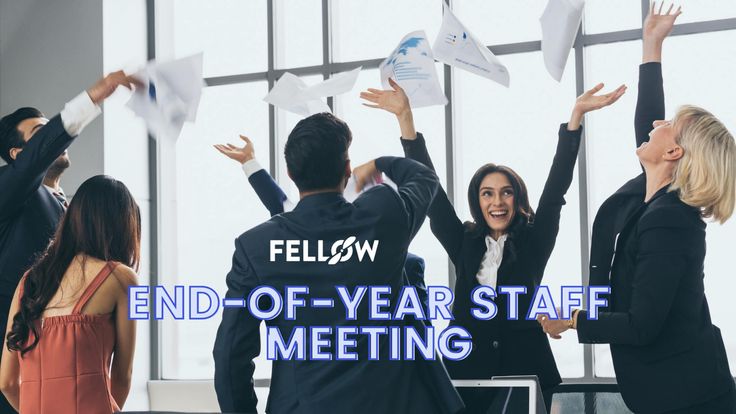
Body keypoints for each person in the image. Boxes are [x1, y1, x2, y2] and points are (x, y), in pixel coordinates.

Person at [359, 74, 625, 411]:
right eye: (488, 193)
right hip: (467, 372)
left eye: (505, 192)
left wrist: (575, 119)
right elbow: (432, 194)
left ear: (516, 199)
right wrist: (405, 118)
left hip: (526, 371)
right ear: (478, 201)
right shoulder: (463, 242)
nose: (497, 202)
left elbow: (556, 189)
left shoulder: (534, 241)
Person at [539, 4, 736, 413]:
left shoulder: (669, 221)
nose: (653, 125)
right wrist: (651, 45)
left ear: (675, 151)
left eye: (667, 126)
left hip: (691, 399)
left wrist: (575, 319)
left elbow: (642, 326)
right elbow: (648, 120)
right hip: (673, 393)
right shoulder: (647, 201)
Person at [212, 112, 464, 413]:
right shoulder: (383, 217)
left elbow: (230, 356)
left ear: (291, 174)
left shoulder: (256, 246)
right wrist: (380, 164)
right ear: (346, 169)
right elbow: (423, 177)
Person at [0, 70, 139, 413]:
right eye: (42, 133)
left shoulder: (75, 210)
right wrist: (92, 97)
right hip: (15, 364)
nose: (54, 139)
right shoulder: (9, 191)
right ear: (19, 154)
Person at [213, 135, 430, 313]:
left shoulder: (409, 265)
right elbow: (283, 207)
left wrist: (249, 162)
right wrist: (379, 164)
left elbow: (282, 207)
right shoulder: (396, 250)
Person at [0, 175, 140, 413]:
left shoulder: (29, 282)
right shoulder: (123, 279)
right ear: (123, 225)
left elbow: (7, 383)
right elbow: (123, 376)